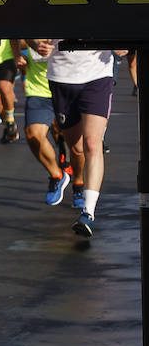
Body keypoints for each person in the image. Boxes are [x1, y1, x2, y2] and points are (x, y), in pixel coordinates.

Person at [41, 41, 125, 239]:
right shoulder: (50, 8)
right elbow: (30, 31)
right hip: (61, 77)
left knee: (92, 144)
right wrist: (35, 42)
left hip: (97, 75)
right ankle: (72, 178)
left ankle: (88, 213)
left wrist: (122, 42)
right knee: (77, 149)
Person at [15, 39, 69, 206]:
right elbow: (14, 37)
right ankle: (56, 176)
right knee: (33, 135)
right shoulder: (29, 36)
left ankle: (80, 186)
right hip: (38, 91)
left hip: (66, 88)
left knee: (74, 144)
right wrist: (17, 55)